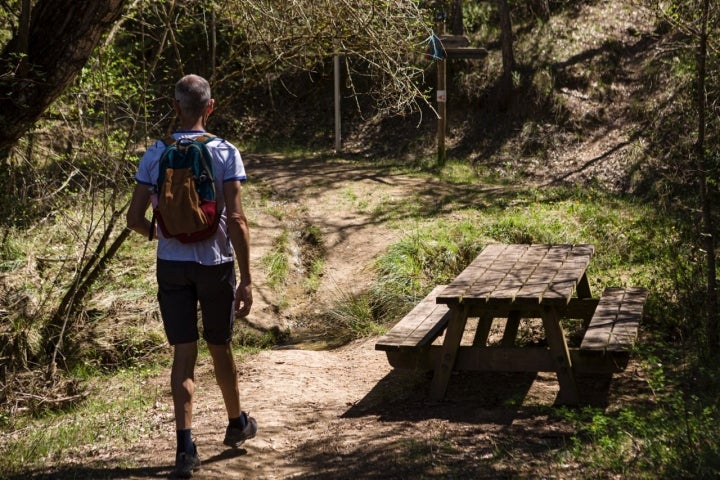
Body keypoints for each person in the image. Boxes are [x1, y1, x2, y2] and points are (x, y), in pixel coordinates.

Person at [126, 74, 256, 478]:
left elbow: (133, 219)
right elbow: (235, 218)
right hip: (215, 264)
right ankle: (236, 424)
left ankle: (185, 449)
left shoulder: (155, 153)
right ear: (210, 107)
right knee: (220, 347)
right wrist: (247, 278)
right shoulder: (224, 151)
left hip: (171, 265)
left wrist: (163, 233)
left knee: (184, 355)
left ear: (175, 106)